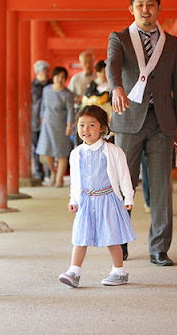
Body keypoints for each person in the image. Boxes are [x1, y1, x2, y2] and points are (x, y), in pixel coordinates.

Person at [106, 0, 177, 266]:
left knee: (162, 187)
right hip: (128, 121)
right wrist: (115, 88)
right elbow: (112, 64)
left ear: (159, 8)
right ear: (131, 9)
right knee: (121, 186)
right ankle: (121, 243)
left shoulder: (172, 43)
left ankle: (159, 249)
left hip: (162, 124)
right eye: (139, 5)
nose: (145, 10)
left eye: (150, 4)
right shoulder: (119, 38)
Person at [58, 105, 136, 287]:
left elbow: (125, 176)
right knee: (80, 237)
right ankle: (74, 272)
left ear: (102, 127)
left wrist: (128, 197)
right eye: (82, 125)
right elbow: (75, 180)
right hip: (86, 201)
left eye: (92, 125)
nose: (86, 130)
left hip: (108, 199)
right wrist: (74, 200)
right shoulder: (76, 153)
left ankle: (119, 272)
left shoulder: (113, 151)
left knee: (112, 237)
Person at [36, 66, 75, 188]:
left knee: (62, 153)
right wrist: (42, 119)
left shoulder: (67, 94)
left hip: (61, 125)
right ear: (53, 77)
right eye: (58, 77)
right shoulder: (46, 90)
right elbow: (43, 106)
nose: (60, 79)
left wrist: (69, 126)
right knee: (46, 151)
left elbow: (70, 111)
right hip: (47, 124)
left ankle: (59, 178)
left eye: (63, 77)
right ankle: (53, 171)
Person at [31, 60, 52, 181]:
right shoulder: (31, 87)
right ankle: (39, 173)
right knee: (35, 148)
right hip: (35, 122)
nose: (48, 73)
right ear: (38, 72)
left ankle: (50, 171)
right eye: (46, 70)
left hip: (49, 121)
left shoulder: (51, 85)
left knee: (49, 146)